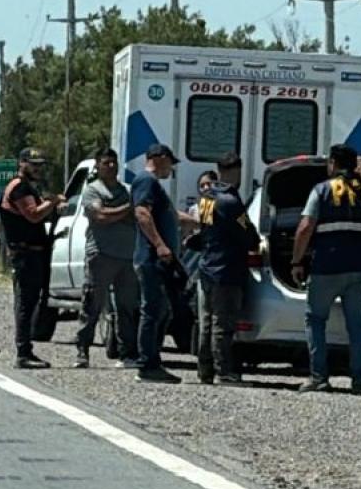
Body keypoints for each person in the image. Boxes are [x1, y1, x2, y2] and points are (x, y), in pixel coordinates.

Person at [290, 144, 361, 394]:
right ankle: (359, 381)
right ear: (353, 165)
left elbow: (305, 226)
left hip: (327, 266)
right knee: (357, 325)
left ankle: (319, 377)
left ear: (332, 163)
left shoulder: (321, 190)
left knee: (316, 319)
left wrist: (296, 261)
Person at [131, 143, 199, 383]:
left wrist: (193, 221)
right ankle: (147, 363)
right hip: (151, 259)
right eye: (170, 162)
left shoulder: (154, 186)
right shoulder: (146, 181)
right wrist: (160, 244)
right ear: (159, 158)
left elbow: (167, 214)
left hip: (157, 260)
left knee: (162, 309)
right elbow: (142, 213)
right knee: (153, 310)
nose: (172, 168)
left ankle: (153, 359)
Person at [192, 152, 259, 385]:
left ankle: (205, 370)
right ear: (236, 171)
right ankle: (225, 372)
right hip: (226, 269)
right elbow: (247, 234)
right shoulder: (231, 201)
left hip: (207, 266)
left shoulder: (206, 198)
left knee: (206, 323)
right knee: (223, 324)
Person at [0, 147, 66, 369]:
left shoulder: (28, 188)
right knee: (26, 303)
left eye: (40, 165)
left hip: (34, 253)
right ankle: (23, 352)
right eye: (33, 164)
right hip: (25, 253)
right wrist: (53, 201)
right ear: (22, 163)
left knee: (32, 301)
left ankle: (26, 350)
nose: (38, 169)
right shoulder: (19, 187)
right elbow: (34, 215)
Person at [72, 148, 141, 369]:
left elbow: (136, 217)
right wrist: (124, 211)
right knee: (92, 304)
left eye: (113, 162)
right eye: (106, 163)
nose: (111, 166)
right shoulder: (92, 191)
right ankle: (82, 350)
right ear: (98, 167)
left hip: (127, 256)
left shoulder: (127, 191)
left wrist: (118, 213)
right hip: (101, 255)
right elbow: (100, 216)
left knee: (127, 308)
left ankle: (127, 353)